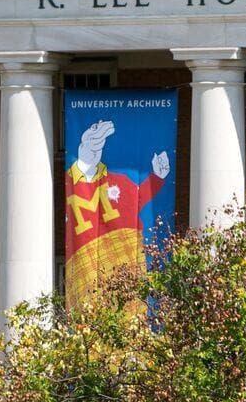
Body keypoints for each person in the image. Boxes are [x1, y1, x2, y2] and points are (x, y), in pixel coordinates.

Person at [64, 119, 171, 308]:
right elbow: (80, 177)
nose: (95, 152)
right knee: (88, 320)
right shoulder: (75, 181)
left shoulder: (120, 180)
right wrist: (84, 159)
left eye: (98, 148)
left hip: (127, 257)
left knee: (132, 318)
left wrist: (158, 176)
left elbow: (140, 196)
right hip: (86, 264)